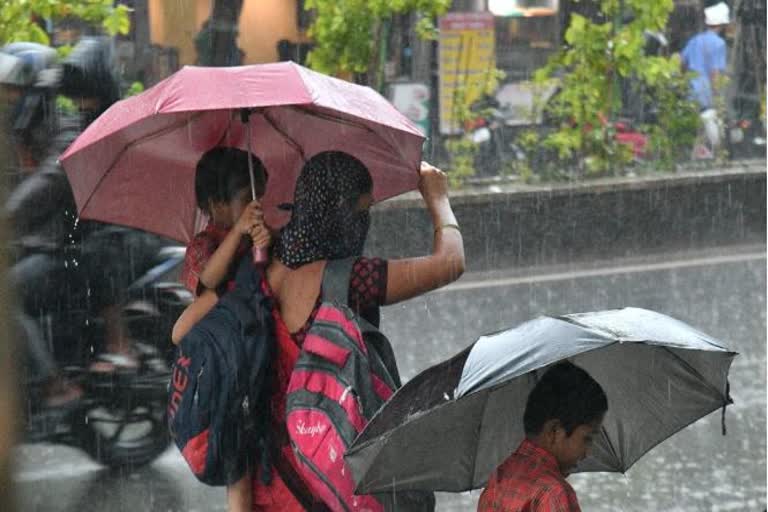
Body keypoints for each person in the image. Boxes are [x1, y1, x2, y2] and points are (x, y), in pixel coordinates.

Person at [172, 152, 465, 511]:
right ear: (340, 214)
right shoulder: (350, 278)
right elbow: (450, 263)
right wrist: (437, 198)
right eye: (360, 212)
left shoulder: (254, 264)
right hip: (330, 474)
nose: (363, 222)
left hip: (272, 477)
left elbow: (183, 329)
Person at [477, 361, 608, 512]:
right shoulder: (553, 493)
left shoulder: (499, 478)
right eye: (587, 438)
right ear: (554, 431)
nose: (587, 453)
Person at [179, 147, 270, 298]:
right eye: (248, 198)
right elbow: (209, 282)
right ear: (217, 205)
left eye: (259, 197)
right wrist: (238, 231)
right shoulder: (201, 245)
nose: (257, 205)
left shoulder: (254, 235)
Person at [681, 1, 730, 155]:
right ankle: (716, 160)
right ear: (721, 24)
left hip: (691, 93)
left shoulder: (695, 40)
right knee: (714, 136)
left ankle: (694, 157)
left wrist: (685, 79)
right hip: (706, 95)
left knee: (696, 132)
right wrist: (717, 98)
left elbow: (682, 62)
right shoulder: (719, 44)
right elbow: (715, 73)